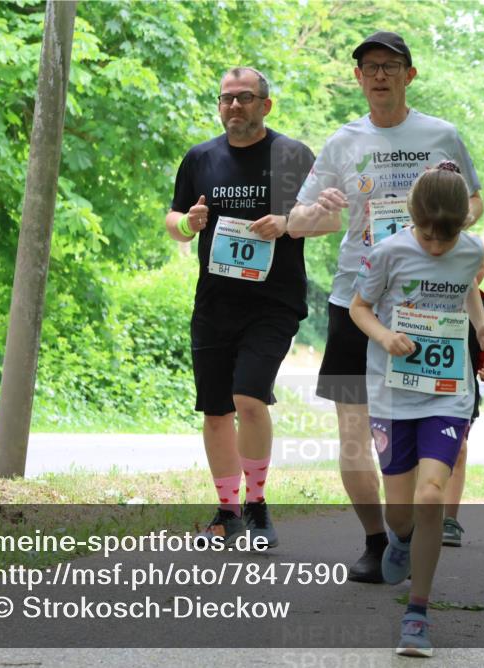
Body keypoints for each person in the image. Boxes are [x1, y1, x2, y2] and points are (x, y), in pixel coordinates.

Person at [287, 31, 484, 583]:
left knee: (425, 423)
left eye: (391, 66)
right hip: (356, 299)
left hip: (430, 301)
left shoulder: (441, 135)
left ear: (409, 75)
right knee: (353, 432)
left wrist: (444, 224)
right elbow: (300, 220)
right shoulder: (342, 142)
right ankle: (378, 541)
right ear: (358, 78)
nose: (379, 75)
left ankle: (417, 519)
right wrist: (318, 209)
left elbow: (474, 199)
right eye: (369, 66)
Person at [349, 162, 484, 657]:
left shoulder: (472, 249)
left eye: (446, 238)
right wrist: (386, 336)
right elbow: (358, 308)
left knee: (431, 495)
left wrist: (480, 328)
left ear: (463, 226)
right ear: (413, 220)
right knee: (403, 513)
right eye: (428, 237)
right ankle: (401, 539)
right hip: (394, 392)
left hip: (446, 391)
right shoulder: (388, 253)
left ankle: (417, 612)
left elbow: (467, 289)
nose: (436, 247)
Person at [166, 67, 315, 547]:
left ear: (265, 105)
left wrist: (289, 221)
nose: (234, 106)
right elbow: (173, 221)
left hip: (274, 301)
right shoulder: (200, 158)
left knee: (249, 397)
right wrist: (188, 222)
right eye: (226, 99)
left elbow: (328, 216)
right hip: (215, 301)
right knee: (214, 410)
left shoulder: (292, 156)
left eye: (245, 98)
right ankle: (227, 509)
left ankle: (258, 506)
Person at [442, 238, 484, 548]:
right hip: (423, 384)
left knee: (459, 449)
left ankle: (449, 519)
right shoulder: (432, 294)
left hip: (463, 389)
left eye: (475, 268)